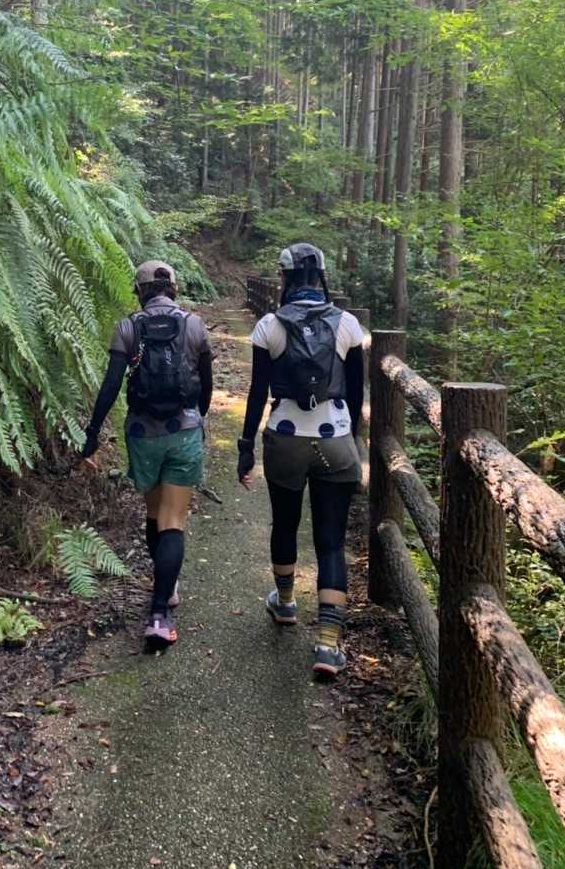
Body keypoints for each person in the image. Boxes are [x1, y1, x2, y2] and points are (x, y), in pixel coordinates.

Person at [237, 243, 364, 676]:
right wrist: (351, 442)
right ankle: (327, 644)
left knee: (285, 524)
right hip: (335, 439)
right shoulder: (347, 324)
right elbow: (356, 393)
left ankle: (286, 603)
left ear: (285, 277)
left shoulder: (269, 326)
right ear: (321, 276)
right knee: (331, 542)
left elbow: (257, 393)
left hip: (285, 439)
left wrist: (245, 448)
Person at [80, 261, 213, 649]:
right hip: (183, 430)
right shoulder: (194, 325)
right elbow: (205, 385)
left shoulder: (128, 327)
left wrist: (92, 433)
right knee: (174, 519)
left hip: (142, 433)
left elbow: (110, 385)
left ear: (139, 291)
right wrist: (197, 418)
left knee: (155, 514)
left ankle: (163, 587)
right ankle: (161, 613)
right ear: (173, 288)